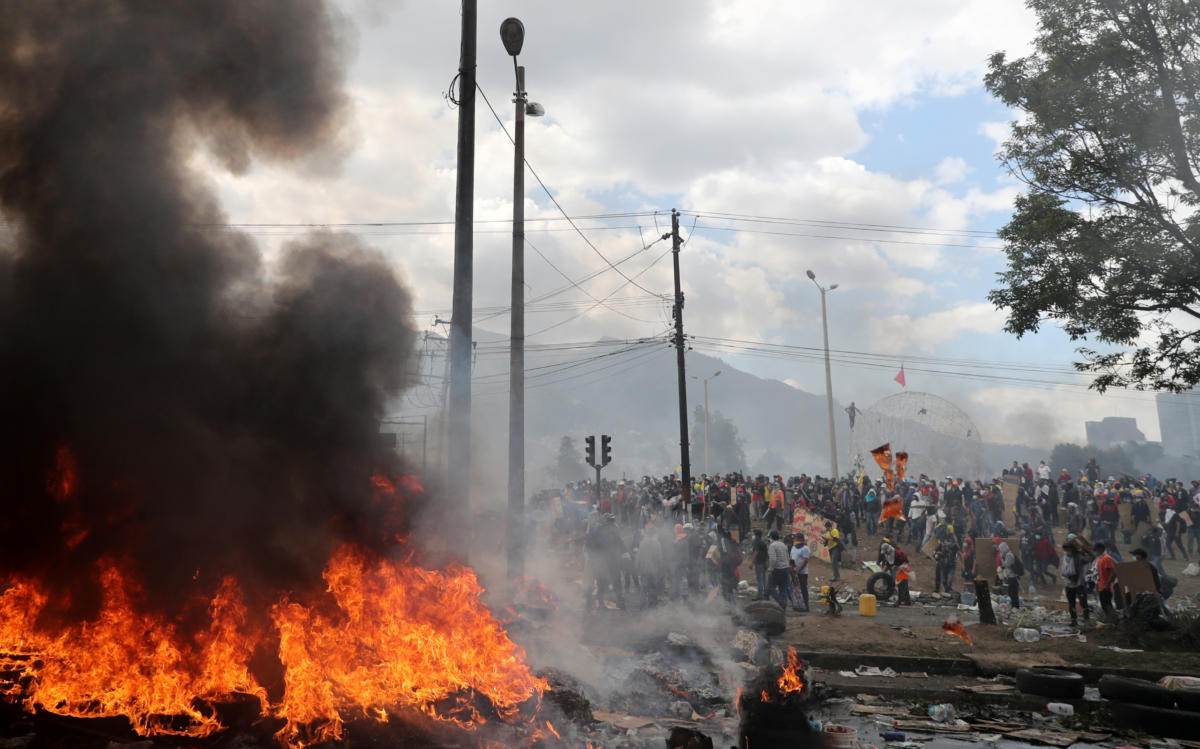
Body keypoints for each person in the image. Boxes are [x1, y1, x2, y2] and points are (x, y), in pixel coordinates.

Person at [1061, 535, 1093, 627]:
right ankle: (1073, 620)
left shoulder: (1079, 556)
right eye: (1065, 549)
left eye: (1068, 549)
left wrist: (1084, 550)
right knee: (1071, 603)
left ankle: (1086, 618)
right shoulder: (1066, 557)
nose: (1067, 551)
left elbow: (1090, 558)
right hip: (1069, 583)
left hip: (1079, 583)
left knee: (1083, 601)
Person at [766, 529, 790, 609]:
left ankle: (780, 602)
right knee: (783, 589)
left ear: (771, 537)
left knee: (770, 587)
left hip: (777, 570)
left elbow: (773, 559)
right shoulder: (783, 545)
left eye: (769, 537)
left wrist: (770, 569)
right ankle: (783, 608)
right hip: (785, 569)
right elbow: (787, 557)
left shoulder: (772, 545)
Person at [1094, 542, 1117, 620]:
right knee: (1104, 604)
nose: (1096, 551)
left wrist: (1107, 584)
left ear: (1101, 549)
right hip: (1101, 586)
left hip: (1106, 586)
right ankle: (1109, 619)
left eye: (1097, 550)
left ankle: (1113, 619)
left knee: (1107, 604)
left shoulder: (1107, 558)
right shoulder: (1100, 558)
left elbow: (1113, 572)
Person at [997, 540, 1021, 608]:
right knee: (1011, 591)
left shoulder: (1008, 555)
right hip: (1010, 576)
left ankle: (1015, 606)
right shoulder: (1008, 554)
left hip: (1012, 576)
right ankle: (1014, 606)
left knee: (1012, 592)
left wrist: (1001, 558)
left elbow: (1007, 565)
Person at [790, 536, 811, 611]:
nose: (794, 540)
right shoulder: (793, 547)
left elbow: (805, 561)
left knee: (803, 588)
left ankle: (806, 606)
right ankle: (798, 605)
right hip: (794, 572)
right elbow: (792, 558)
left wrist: (798, 570)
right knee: (795, 589)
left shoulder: (805, 548)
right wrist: (792, 568)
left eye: (795, 538)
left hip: (802, 572)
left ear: (800, 539)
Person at [751, 529, 769, 600]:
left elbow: (756, 552)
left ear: (757, 535)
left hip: (759, 563)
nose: (754, 536)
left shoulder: (757, 542)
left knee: (760, 579)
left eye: (755, 534)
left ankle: (760, 595)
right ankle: (765, 594)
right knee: (764, 579)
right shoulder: (763, 542)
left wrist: (751, 562)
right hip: (764, 562)